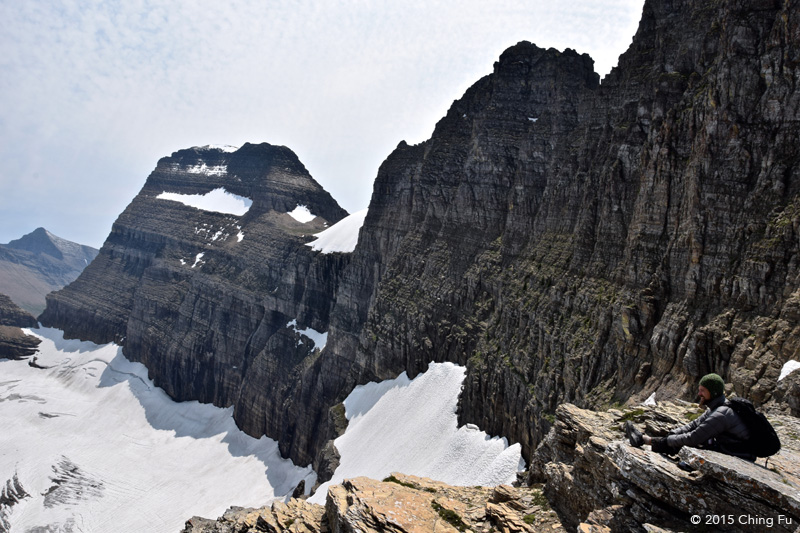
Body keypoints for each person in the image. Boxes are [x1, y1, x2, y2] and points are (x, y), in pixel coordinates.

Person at [625, 373, 755, 461]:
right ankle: (643, 440)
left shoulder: (721, 414)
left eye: (702, 391)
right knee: (680, 439)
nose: (699, 394)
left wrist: (668, 440)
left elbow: (693, 438)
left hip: (739, 455)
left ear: (713, 392)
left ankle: (644, 440)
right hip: (730, 447)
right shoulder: (716, 407)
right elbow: (693, 425)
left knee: (690, 444)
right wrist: (672, 433)